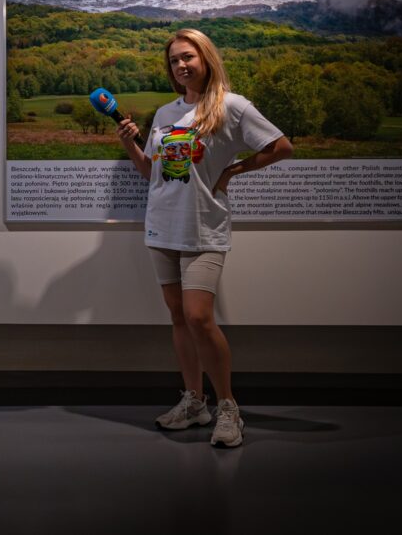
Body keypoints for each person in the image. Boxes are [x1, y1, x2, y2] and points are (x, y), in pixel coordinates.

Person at [116, 28, 292, 448]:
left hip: (203, 227)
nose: (181, 65)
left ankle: (228, 407)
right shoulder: (165, 112)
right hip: (161, 226)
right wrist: (131, 146)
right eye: (174, 60)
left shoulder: (231, 106)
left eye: (188, 57)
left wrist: (234, 170)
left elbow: (281, 147)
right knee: (179, 318)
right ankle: (194, 402)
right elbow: (153, 173)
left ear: (206, 58)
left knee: (199, 317)